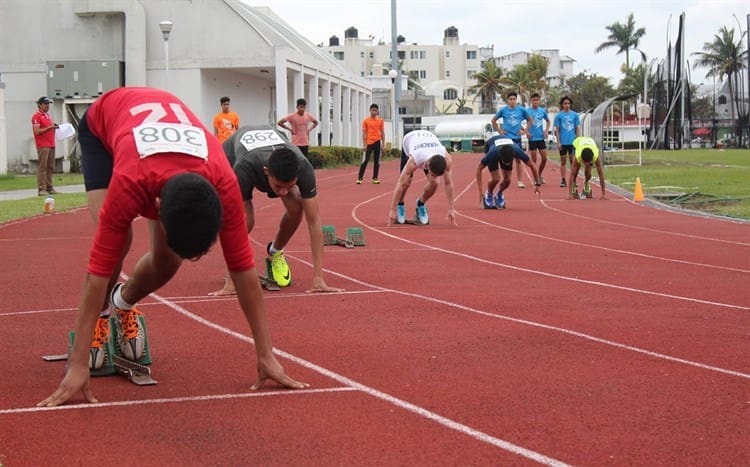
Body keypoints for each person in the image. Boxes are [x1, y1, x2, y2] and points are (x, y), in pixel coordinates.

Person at [37, 87, 307, 407]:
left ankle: (121, 304)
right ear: (156, 207)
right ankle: (102, 315)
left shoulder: (224, 185)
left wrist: (266, 355)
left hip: (164, 147)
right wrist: (78, 364)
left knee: (168, 261)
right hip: (104, 126)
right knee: (116, 244)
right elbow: (96, 272)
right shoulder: (130, 184)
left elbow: (244, 273)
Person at [209, 125, 343, 296]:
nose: (283, 192)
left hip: (272, 151)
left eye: (290, 186)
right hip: (231, 157)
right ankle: (233, 275)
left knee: (296, 207)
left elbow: (314, 221)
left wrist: (319, 279)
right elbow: (237, 222)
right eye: (278, 186)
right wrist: (231, 282)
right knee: (246, 220)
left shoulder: (304, 167)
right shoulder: (244, 167)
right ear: (267, 173)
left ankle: (275, 251)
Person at [388, 130, 456, 226]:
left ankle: (421, 203)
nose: (434, 177)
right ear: (427, 165)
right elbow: (400, 183)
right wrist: (392, 210)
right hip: (410, 141)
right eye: (432, 174)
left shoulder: (447, 159)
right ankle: (400, 204)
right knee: (406, 182)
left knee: (435, 182)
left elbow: (448, 183)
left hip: (428, 140)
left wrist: (451, 208)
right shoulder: (415, 159)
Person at [476, 134, 541, 210]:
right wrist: (480, 192)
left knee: (507, 180)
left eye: (509, 162)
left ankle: (499, 193)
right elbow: (479, 169)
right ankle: (489, 193)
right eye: (505, 162)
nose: (507, 164)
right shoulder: (492, 153)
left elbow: (532, 165)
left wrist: (537, 184)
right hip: (491, 145)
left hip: (507, 147)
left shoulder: (517, 150)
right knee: (496, 178)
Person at [491, 91, 532, 189]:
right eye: (510, 99)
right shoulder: (503, 110)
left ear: (516, 100)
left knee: (518, 160)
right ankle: (505, 178)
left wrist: (525, 131)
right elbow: (493, 120)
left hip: (517, 137)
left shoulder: (521, 110)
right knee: (504, 158)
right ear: (507, 100)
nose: (512, 101)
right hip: (506, 138)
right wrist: (499, 131)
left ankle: (520, 180)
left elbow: (530, 119)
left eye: (514, 99)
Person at [31, 96, 59, 196]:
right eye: (45, 104)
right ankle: (41, 188)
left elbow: (49, 128)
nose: (47, 106)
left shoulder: (47, 116)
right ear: (40, 105)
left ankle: (49, 187)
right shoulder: (36, 116)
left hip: (51, 143)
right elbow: (37, 131)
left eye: (48, 104)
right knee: (43, 167)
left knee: (50, 167)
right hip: (43, 145)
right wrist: (49, 127)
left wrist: (53, 127)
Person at [567, 136, 607, 200]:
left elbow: (601, 175)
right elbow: (571, 174)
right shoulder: (578, 155)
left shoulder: (595, 156)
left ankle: (586, 183)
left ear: (591, 160)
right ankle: (574, 186)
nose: (586, 164)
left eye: (588, 162)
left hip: (590, 144)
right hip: (577, 143)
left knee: (588, 173)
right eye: (585, 162)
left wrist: (603, 194)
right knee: (575, 170)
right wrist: (570, 194)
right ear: (582, 159)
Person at [553, 96, 581, 188]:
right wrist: (558, 142)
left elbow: (577, 128)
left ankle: (573, 179)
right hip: (563, 142)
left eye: (568, 103)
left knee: (573, 161)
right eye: (565, 103)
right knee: (563, 161)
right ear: (562, 105)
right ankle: (563, 180)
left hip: (572, 142)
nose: (567, 105)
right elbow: (557, 130)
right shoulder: (559, 116)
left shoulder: (575, 115)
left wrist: (578, 140)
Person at [357, 103, 385, 185]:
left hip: (377, 142)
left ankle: (375, 178)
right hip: (369, 143)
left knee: (377, 161)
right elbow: (364, 133)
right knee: (365, 160)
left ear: (377, 111)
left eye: (376, 110)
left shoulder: (380, 120)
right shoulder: (366, 121)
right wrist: (364, 144)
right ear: (370, 110)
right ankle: (360, 177)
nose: (374, 112)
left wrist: (383, 143)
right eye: (373, 110)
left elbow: (382, 132)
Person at [526, 93, 550, 184]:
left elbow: (548, 121)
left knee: (544, 158)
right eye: (533, 100)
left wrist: (546, 130)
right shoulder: (527, 111)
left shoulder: (542, 111)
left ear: (539, 101)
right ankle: (536, 178)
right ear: (531, 101)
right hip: (532, 138)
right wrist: (526, 131)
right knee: (534, 160)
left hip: (540, 137)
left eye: (537, 100)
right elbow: (518, 121)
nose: (535, 101)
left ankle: (539, 175)